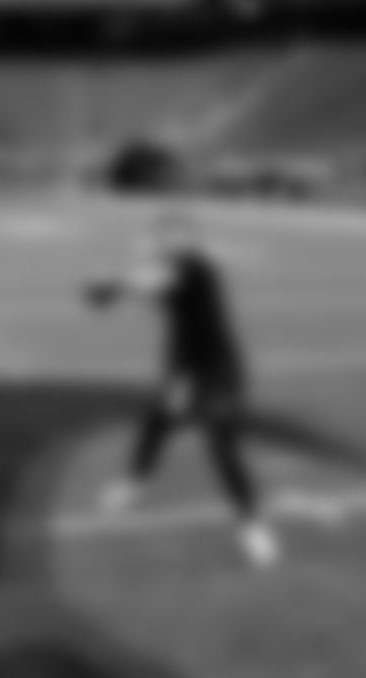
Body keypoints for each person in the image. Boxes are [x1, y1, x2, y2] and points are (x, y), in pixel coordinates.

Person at [85, 208, 281, 569]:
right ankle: (133, 483)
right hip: (184, 367)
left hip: (220, 370)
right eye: (166, 235)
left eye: (179, 234)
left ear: (191, 239)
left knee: (223, 445)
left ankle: (253, 526)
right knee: (156, 421)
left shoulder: (200, 270)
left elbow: (152, 283)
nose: (172, 240)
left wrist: (120, 280)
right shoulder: (165, 268)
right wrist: (106, 290)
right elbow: (130, 293)